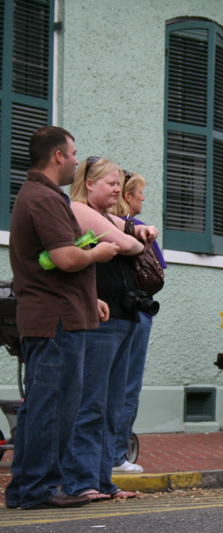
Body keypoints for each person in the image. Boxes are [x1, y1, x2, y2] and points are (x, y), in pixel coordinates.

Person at [5, 127, 119, 510]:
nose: (75, 160)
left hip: (52, 315)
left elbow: (52, 263)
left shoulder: (35, 194)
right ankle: (40, 489)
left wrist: (90, 297)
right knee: (53, 407)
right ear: (57, 156)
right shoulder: (45, 198)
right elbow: (66, 258)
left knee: (41, 405)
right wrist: (99, 252)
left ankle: (25, 489)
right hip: (57, 321)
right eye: (72, 153)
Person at [59, 156, 157, 501]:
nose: (118, 189)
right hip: (99, 321)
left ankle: (103, 482)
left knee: (111, 406)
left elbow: (134, 230)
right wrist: (135, 237)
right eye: (111, 183)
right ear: (89, 184)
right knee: (90, 405)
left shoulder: (104, 216)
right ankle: (81, 483)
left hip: (122, 318)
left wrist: (137, 230)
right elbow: (130, 243)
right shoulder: (79, 209)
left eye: (119, 183)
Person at [107, 170, 167, 473]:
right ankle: (117, 455)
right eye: (140, 192)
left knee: (104, 386)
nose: (144, 197)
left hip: (109, 313)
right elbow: (157, 274)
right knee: (127, 386)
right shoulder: (140, 230)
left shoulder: (101, 224)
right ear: (127, 196)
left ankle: (103, 454)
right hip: (135, 314)